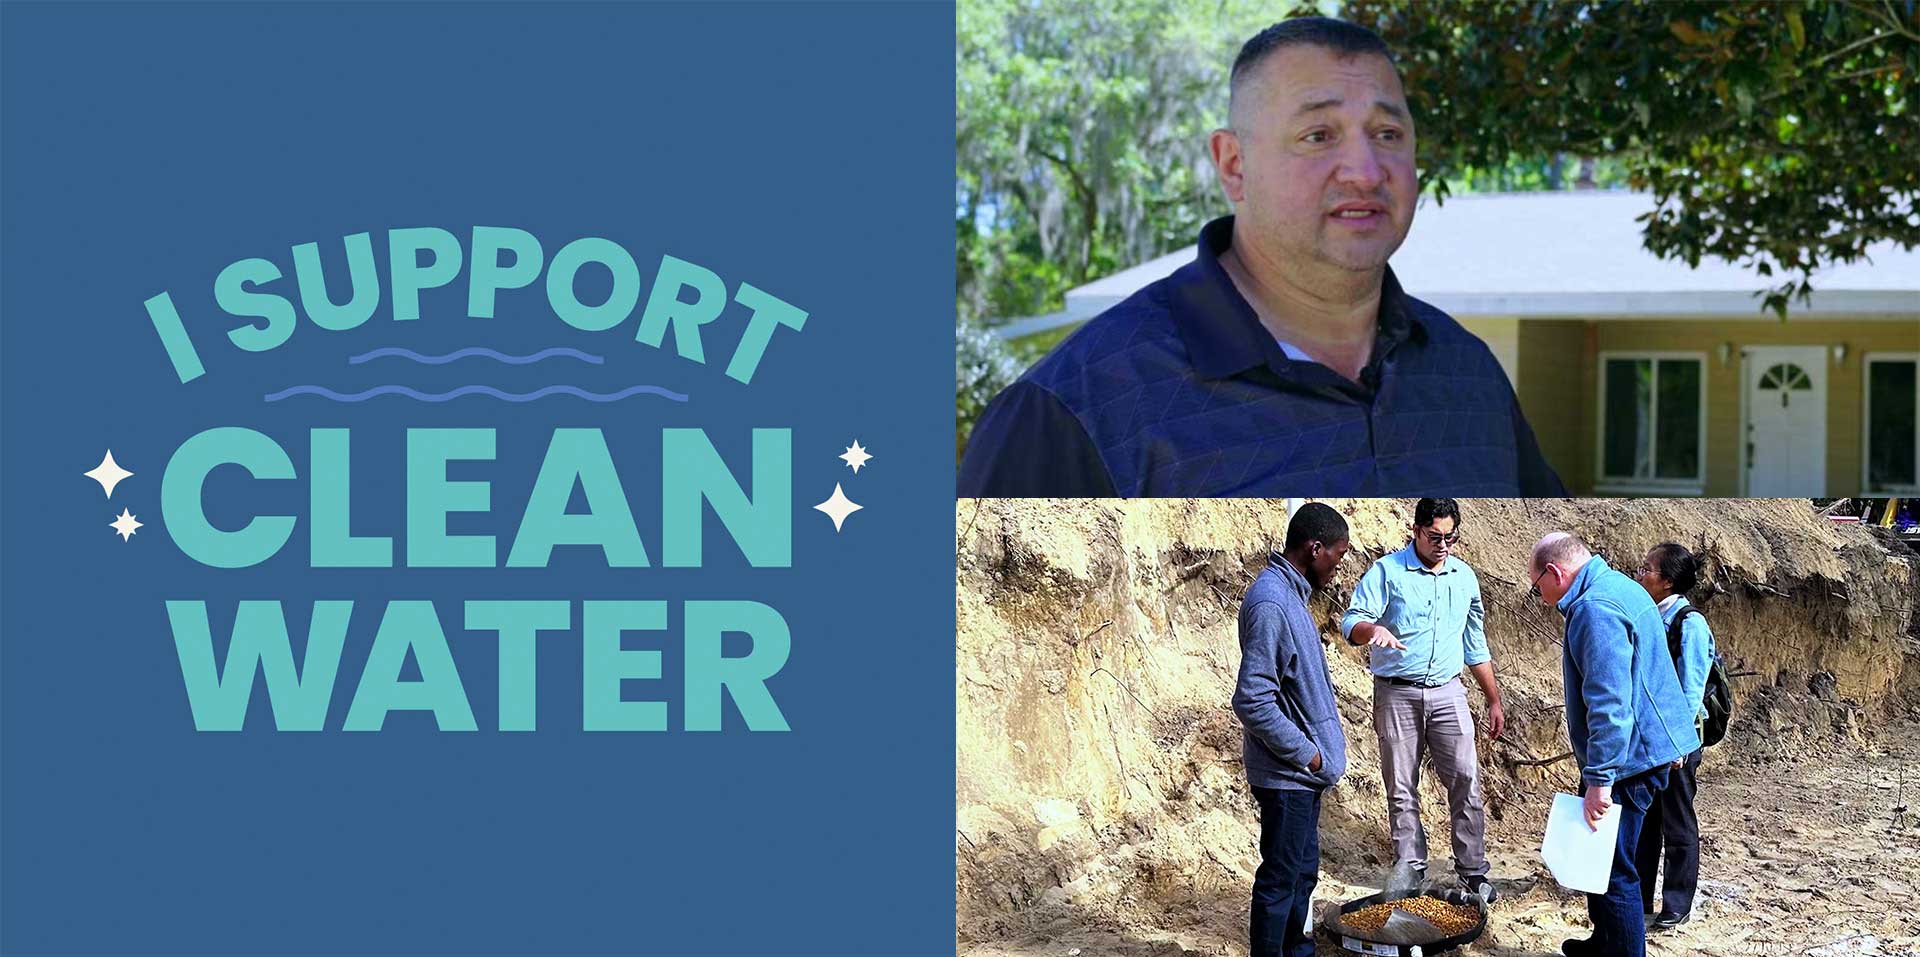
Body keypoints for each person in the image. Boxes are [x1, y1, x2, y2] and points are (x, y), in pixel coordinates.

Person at [957, 16, 1564, 497]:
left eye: (1388, 134)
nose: (1365, 170)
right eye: (1318, 136)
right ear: (1234, 165)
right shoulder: (1076, 408)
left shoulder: (1467, 375)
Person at [1527, 533, 1700, 957]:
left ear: (1555, 573)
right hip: (1645, 747)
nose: (1540, 595)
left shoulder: (1594, 609)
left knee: (1614, 869)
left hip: (1629, 758)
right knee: (1601, 858)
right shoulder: (1621, 586)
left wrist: (1600, 780)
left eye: (1537, 587)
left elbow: (1609, 703)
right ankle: (1604, 943)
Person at [1340, 498, 1503, 902]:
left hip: (1449, 691)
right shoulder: (1388, 572)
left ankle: (1472, 870)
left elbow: (1475, 642)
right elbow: (1351, 619)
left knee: (1466, 778)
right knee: (1401, 784)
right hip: (1396, 692)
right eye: (1435, 537)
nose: (1443, 544)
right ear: (1416, 531)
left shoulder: (1464, 578)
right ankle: (1410, 867)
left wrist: (1493, 699)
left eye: (1450, 537)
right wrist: (1370, 631)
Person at [1234, 502, 1352, 957]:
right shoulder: (1271, 603)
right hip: (1288, 776)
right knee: (1280, 880)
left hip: (1302, 778)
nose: (1337, 568)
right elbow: (1252, 700)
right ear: (1314, 547)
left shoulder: (1291, 596)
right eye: (1336, 557)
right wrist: (1309, 754)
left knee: (1301, 873)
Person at [1631, 542, 1715, 932]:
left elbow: (1690, 692)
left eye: (1647, 569)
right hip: (1650, 741)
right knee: (1646, 821)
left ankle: (1677, 901)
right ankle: (1641, 895)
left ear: (1666, 582)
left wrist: (1678, 745)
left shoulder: (1690, 624)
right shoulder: (1649, 616)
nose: (1640, 573)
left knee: (1677, 822)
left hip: (1677, 744)